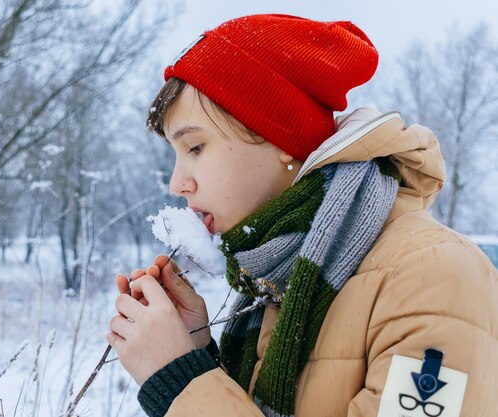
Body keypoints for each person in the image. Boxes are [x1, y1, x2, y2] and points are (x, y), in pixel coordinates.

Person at [106, 14, 498, 417]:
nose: (177, 183)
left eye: (195, 147)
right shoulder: (280, 280)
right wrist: (196, 354)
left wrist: (182, 382)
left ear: (278, 138)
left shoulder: (434, 277)